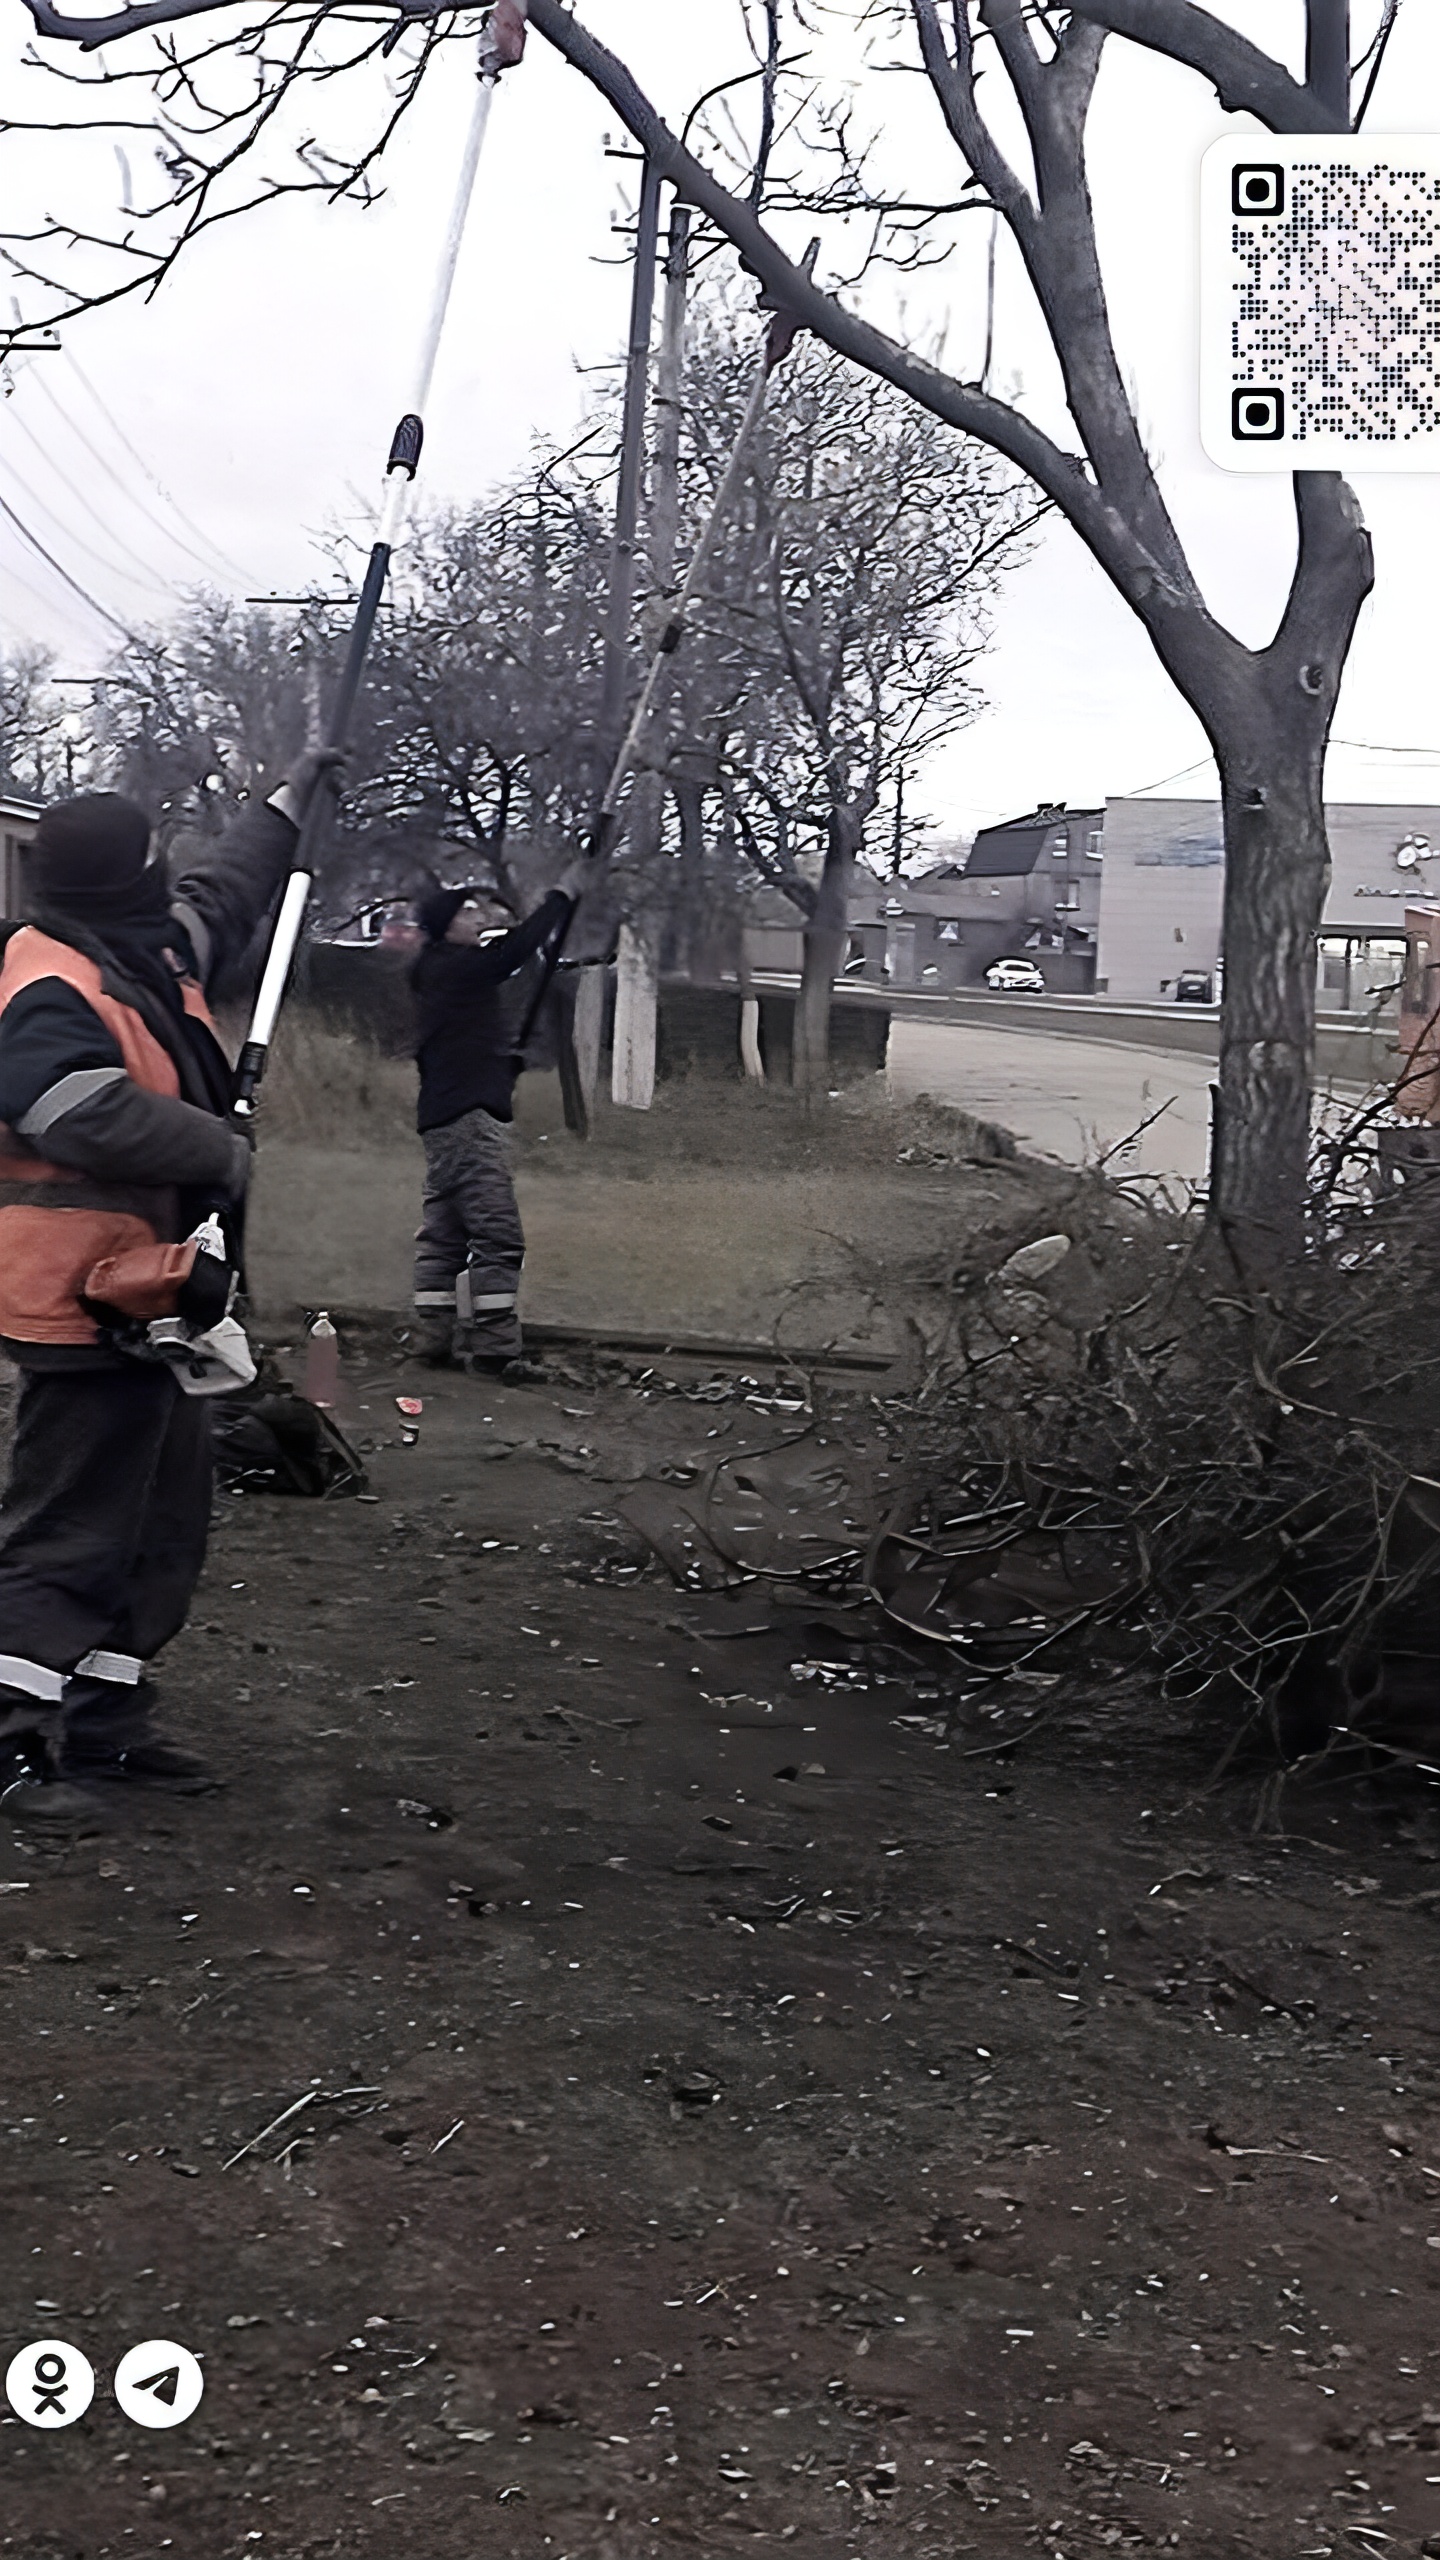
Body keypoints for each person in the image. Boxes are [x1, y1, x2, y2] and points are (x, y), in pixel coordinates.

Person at [0, 752, 340, 1821]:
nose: (169, 881)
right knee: (68, 1525)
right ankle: (10, 1744)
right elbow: (66, 1104)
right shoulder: (47, 978)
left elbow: (220, 898)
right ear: (124, 877)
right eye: (154, 862)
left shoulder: (134, 950)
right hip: (78, 1302)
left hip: (158, 1299)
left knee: (157, 1520)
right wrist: (215, 1146)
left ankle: (107, 1723)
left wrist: (285, 809)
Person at [409, 870, 581, 1372]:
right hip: (468, 1121)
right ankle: (496, 1350)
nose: (477, 915)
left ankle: (432, 1340)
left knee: (445, 1237)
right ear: (443, 925)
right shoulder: (454, 968)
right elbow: (513, 952)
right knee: (498, 1235)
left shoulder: (440, 976)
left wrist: (504, 1066)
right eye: (466, 910)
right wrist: (558, 899)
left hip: (445, 1115)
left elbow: (455, 1047)